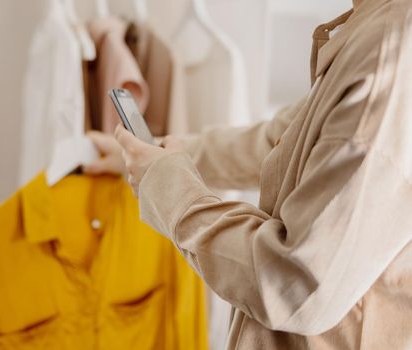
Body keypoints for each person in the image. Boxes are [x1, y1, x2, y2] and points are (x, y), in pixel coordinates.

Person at [84, 0, 412, 348]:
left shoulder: (388, 53)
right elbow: (281, 141)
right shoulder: (373, 31)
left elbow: (295, 284)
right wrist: (157, 156)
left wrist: (170, 188)